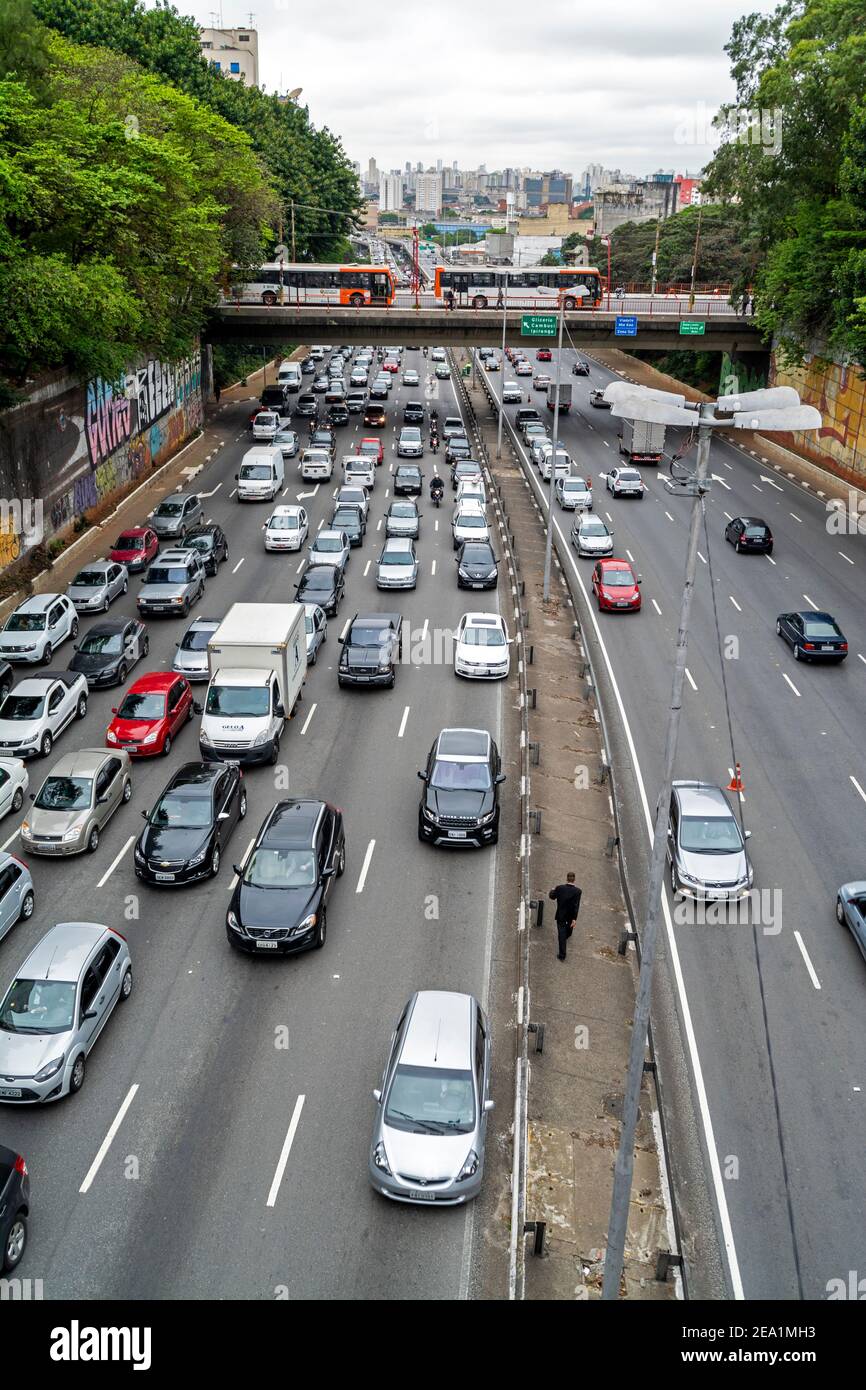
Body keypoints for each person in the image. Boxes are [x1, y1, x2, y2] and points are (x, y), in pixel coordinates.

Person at [548, 872, 582, 961]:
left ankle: (562, 955)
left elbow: (552, 897)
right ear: (574, 880)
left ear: (567, 879)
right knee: (568, 931)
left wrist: (552, 890)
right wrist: (574, 919)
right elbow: (576, 905)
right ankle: (566, 936)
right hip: (570, 916)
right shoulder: (578, 891)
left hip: (561, 915)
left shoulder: (560, 888)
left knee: (561, 934)